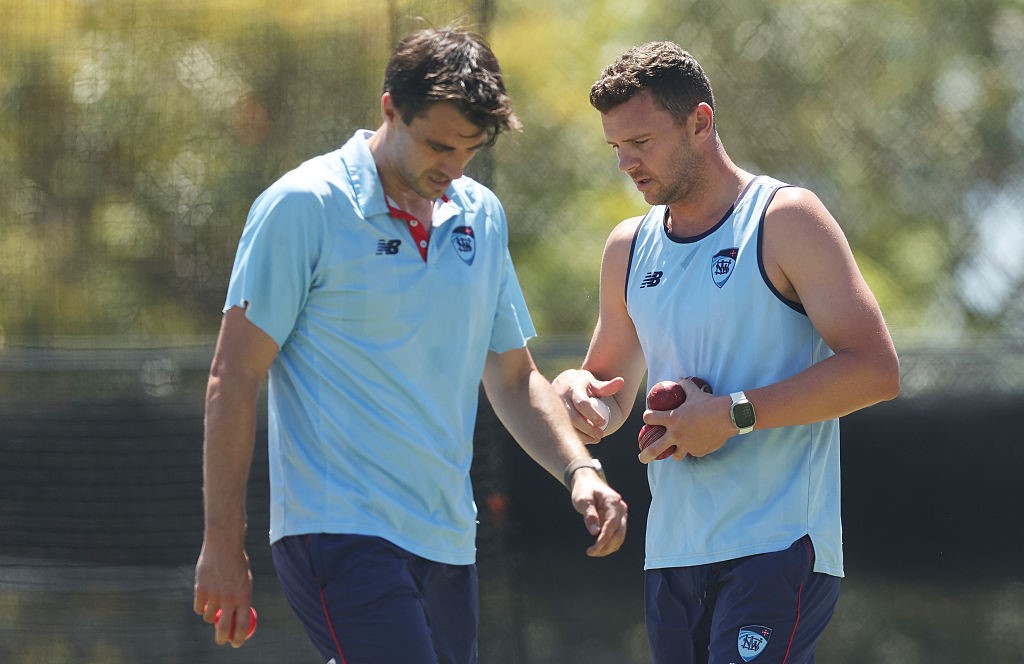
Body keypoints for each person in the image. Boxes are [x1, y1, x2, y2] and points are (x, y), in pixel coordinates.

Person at [192, 27, 627, 663]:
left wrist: (579, 468)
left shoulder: (481, 215)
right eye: (437, 145)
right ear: (389, 106)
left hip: (449, 543)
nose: (450, 168)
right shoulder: (303, 206)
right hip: (338, 532)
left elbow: (512, 377)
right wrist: (222, 543)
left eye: (469, 152)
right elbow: (233, 377)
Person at [552, 41, 899, 664]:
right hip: (673, 552)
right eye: (616, 148)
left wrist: (734, 413)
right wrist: (576, 392)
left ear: (700, 122)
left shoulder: (786, 218)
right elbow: (607, 396)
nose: (627, 163)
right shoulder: (628, 248)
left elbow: (876, 370)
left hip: (779, 545)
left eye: (643, 142)